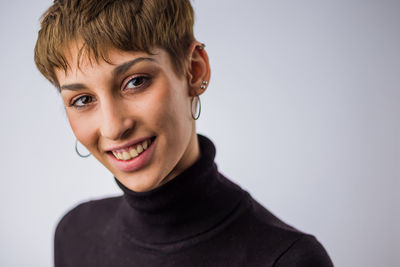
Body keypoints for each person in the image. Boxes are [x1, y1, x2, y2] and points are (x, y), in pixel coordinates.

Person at [34, 0, 334, 266]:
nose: (113, 127)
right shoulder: (74, 235)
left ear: (194, 70)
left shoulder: (287, 260)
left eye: (135, 81)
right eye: (83, 100)